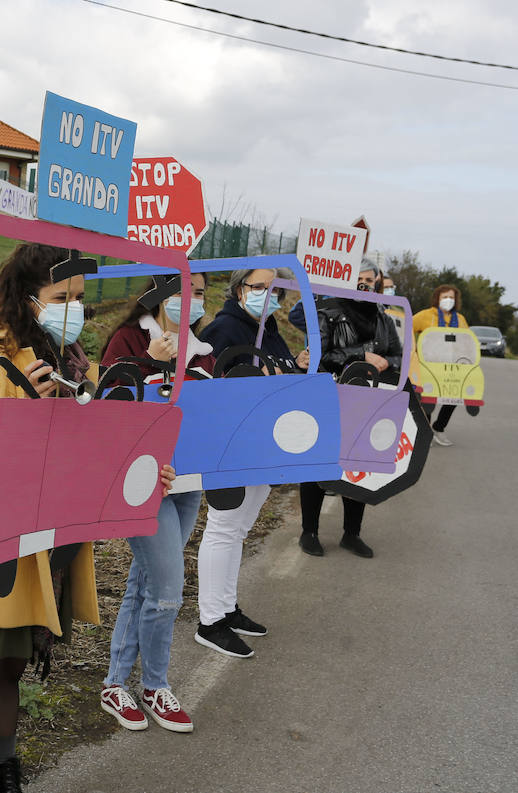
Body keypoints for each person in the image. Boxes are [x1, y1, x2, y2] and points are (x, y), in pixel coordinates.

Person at [0, 244, 161, 793]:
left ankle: (3, 774)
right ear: (28, 300)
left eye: (80, 298)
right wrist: (26, 408)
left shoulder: (75, 366)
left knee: (12, 668)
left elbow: (89, 452)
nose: (74, 309)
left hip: (49, 546)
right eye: (63, 298)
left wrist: (149, 468)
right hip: (0, 552)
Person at [97, 274, 214, 733]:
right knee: (167, 589)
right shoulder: (128, 339)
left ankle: (114, 683)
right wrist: (149, 362)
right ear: (159, 294)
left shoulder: (201, 350)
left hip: (188, 479)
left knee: (144, 580)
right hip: (142, 480)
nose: (194, 300)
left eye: (201, 291)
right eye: (185, 290)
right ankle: (155, 686)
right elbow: (109, 406)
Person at [191, 266, 294, 659]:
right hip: (231, 446)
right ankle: (210, 621)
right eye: (258, 287)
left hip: (262, 446)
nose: (267, 296)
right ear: (238, 291)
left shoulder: (269, 331)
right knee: (223, 527)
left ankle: (226, 608)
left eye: (274, 290)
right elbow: (210, 387)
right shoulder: (223, 330)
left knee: (238, 530)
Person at [295, 260, 402, 559]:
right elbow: (319, 356)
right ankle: (309, 532)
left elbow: (397, 356)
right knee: (319, 461)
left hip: (367, 400)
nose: (364, 285)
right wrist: (360, 355)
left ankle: (351, 534)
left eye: (369, 279)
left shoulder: (383, 316)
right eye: (358, 279)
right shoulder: (327, 311)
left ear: (378, 281)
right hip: (328, 396)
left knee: (360, 463)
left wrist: (384, 362)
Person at [413, 283, 468, 447]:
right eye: (445, 297)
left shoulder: (460, 319)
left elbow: (466, 340)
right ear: (437, 298)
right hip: (428, 366)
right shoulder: (425, 315)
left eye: (451, 297)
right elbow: (409, 327)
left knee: (453, 398)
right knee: (428, 400)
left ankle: (439, 428)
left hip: (452, 367)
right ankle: (426, 431)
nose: (448, 300)